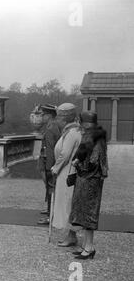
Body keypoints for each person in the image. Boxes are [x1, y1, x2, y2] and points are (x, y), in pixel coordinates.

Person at [69, 111, 108, 260]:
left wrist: (78, 165)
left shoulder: (94, 138)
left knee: (89, 213)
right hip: (86, 179)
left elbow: (94, 161)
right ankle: (87, 246)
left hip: (90, 180)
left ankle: (89, 247)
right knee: (85, 214)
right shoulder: (93, 136)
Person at [50, 103, 82, 247]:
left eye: (59, 117)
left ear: (64, 119)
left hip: (67, 171)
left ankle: (71, 236)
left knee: (67, 203)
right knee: (67, 202)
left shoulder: (72, 133)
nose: (57, 120)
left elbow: (65, 154)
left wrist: (55, 169)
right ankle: (70, 234)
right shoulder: (71, 131)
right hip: (68, 170)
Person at [37, 104, 61, 225]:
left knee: (50, 187)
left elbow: (51, 149)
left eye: (43, 114)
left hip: (48, 162)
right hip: (45, 160)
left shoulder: (52, 128)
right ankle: (49, 210)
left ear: (49, 115)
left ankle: (50, 216)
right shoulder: (51, 126)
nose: (41, 117)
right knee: (49, 187)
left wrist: (49, 167)